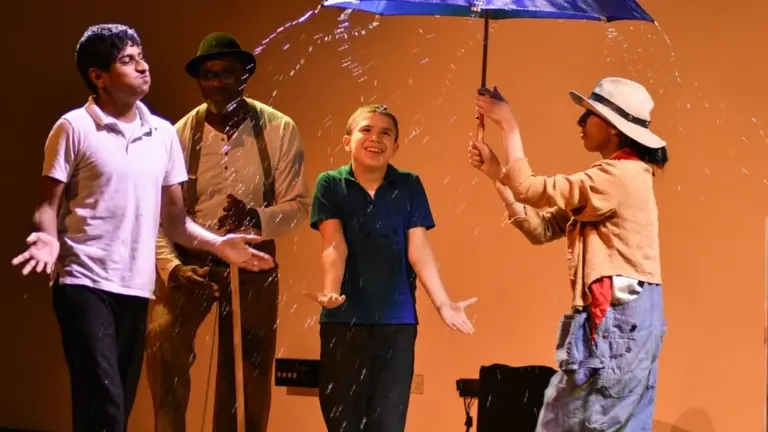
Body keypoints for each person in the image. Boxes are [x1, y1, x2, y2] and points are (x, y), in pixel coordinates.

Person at [11, 25, 274, 432]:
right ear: (98, 76)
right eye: (127, 61)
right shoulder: (73, 127)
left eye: (141, 56)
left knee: (110, 404)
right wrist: (47, 237)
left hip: (134, 287)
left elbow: (175, 221)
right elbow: (49, 204)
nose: (143, 67)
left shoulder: (164, 134)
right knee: (105, 400)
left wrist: (220, 245)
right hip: (83, 283)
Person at [469, 77, 668, 431]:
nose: (580, 123)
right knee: (567, 421)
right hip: (618, 317)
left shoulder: (618, 177)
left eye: (588, 115)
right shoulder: (612, 179)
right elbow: (542, 228)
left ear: (612, 129)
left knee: (584, 423)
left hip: (619, 317)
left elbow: (531, 188)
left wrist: (509, 125)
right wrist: (497, 174)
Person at [145, 32, 310, 432]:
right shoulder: (179, 135)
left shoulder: (279, 129)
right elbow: (158, 215)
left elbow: (300, 208)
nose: (217, 83)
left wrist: (256, 217)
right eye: (209, 75)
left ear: (245, 76)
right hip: (192, 257)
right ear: (200, 80)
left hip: (253, 256)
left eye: (227, 74)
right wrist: (170, 268)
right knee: (162, 337)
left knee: (249, 365)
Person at [306, 104, 477, 432]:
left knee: (387, 424)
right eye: (366, 130)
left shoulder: (409, 184)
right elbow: (333, 243)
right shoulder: (330, 184)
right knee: (343, 422)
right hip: (343, 322)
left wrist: (443, 303)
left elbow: (419, 250)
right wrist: (331, 289)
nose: (375, 138)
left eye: (386, 133)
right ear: (347, 142)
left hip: (396, 324)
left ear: (396, 146)